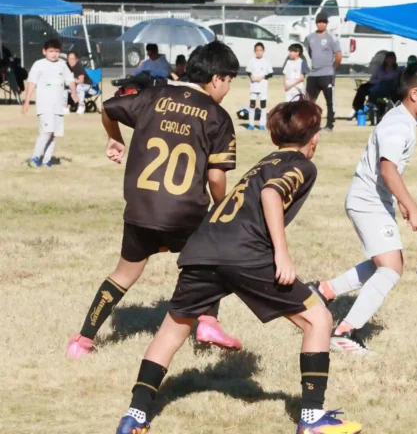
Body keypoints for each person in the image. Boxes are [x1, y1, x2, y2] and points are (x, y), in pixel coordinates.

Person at [114, 100, 363, 434]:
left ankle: (135, 416)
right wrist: (282, 255)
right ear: (314, 138)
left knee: (172, 330)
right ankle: (312, 419)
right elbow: (272, 195)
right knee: (319, 319)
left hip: (202, 248)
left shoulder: (265, 162)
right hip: (246, 254)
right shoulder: (302, 165)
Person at [66, 41, 243, 359]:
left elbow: (107, 108)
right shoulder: (217, 116)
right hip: (185, 210)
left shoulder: (153, 96)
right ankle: (207, 321)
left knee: (124, 273)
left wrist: (115, 137)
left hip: (141, 208)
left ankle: (82, 341)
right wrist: (225, 211)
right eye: (230, 81)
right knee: (213, 258)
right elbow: (216, 178)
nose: (228, 89)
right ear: (216, 79)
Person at [308, 63, 417, 354]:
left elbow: (391, 172)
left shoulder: (402, 120)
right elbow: (388, 170)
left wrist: (399, 203)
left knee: (387, 263)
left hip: (372, 200)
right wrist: (413, 208)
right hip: (367, 201)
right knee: (392, 268)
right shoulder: (399, 124)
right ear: (415, 94)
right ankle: (346, 332)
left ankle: (324, 291)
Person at [22, 38, 78, 168]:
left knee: (53, 133)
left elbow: (70, 80)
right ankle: (35, 157)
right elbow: (31, 84)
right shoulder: (39, 65)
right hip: (45, 105)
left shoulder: (62, 65)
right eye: (51, 51)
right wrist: (26, 102)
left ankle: (46, 160)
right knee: (46, 131)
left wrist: (74, 93)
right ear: (44, 51)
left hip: (57, 106)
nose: (54, 54)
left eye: (57, 51)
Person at [305, 11, 342, 132]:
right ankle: (309, 124)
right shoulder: (310, 38)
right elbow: (310, 53)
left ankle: (330, 125)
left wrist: (333, 68)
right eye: (319, 22)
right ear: (316, 23)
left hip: (327, 74)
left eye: (324, 22)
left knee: (329, 101)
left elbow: (338, 55)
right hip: (313, 74)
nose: (321, 24)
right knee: (308, 102)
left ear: (327, 23)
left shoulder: (331, 38)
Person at [245, 42, 274, 131]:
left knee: (263, 106)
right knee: (252, 105)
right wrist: (251, 77)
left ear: (263, 51)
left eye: (260, 50)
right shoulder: (252, 60)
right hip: (253, 87)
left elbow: (271, 73)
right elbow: (248, 71)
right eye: (257, 50)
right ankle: (251, 124)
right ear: (254, 51)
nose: (259, 52)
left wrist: (262, 77)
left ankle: (262, 125)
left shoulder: (266, 61)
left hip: (262, 88)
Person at [66, 51, 94, 115]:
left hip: (87, 85)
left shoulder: (79, 67)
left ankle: (81, 106)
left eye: (73, 59)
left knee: (79, 87)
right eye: (69, 59)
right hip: (74, 85)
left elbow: (81, 81)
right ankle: (65, 106)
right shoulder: (66, 66)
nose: (71, 61)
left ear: (76, 60)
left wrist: (71, 81)